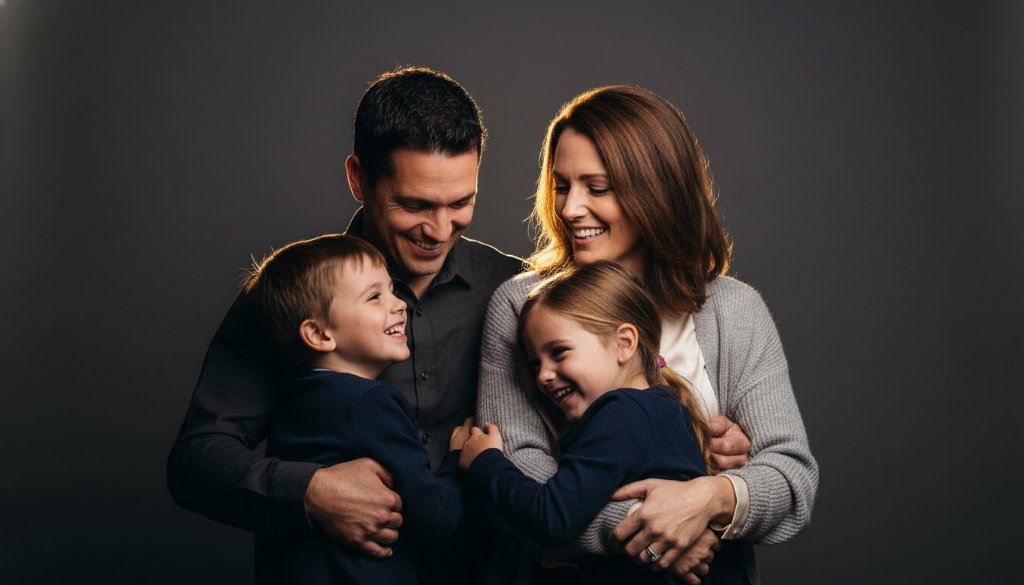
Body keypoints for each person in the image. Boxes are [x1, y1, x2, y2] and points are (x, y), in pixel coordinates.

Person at [167, 67, 522, 584]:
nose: (440, 230)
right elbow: (195, 461)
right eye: (414, 204)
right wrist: (311, 491)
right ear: (358, 178)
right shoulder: (294, 297)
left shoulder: (514, 289)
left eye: (461, 203)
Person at [476, 85, 818, 584]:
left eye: (597, 188)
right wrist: (661, 533)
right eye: (561, 185)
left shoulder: (734, 311)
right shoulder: (522, 306)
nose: (570, 209)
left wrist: (711, 498)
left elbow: (791, 479)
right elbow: (517, 468)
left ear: (655, 191)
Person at [461, 261, 745, 585]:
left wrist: (486, 462)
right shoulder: (661, 408)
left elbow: (552, 518)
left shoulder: (621, 415)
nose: (542, 376)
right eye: (535, 362)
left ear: (625, 343)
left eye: (559, 352)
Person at [245, 233, 475, 584]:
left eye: (392, 290)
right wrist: (458, 461)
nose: (399, 304)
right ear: (320, 335)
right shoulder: (372, 402)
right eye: (374, 297)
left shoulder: (296, 398)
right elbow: (435, 518)